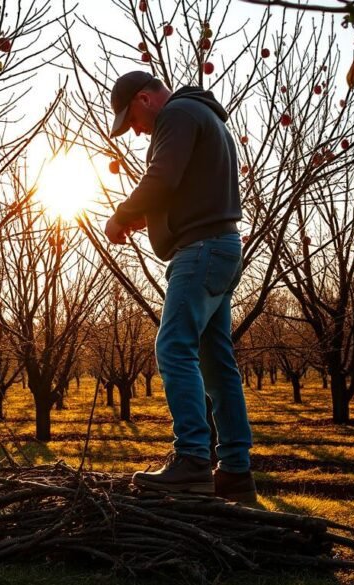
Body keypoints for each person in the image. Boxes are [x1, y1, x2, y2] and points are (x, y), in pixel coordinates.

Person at [103, 71, 255, 503]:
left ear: (146, 98)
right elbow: (186, 189)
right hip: (220, 246)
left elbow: (162, 179)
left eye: (130, 119)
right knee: (215, 362)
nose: (135, 130)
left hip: (201, 251)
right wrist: (145, 217)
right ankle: (236, 472)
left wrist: (120, 214)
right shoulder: (202, 116)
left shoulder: (178, 114)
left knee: (173, 348)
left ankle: (191, 459)